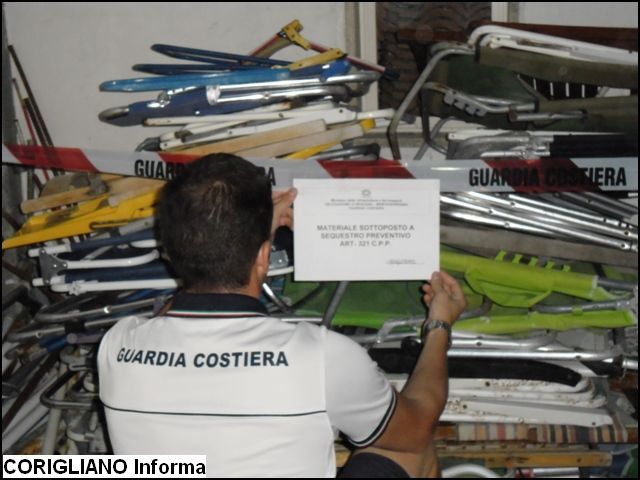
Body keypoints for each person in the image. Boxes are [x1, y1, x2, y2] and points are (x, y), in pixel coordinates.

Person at [97, 153, 466, 478]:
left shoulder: (117, 344)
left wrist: (253, 239)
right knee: (403, 447)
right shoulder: (322, 356)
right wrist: (439, 326)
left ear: (170, 252)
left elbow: (169, 317)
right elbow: (417, 426)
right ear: (263, 257)